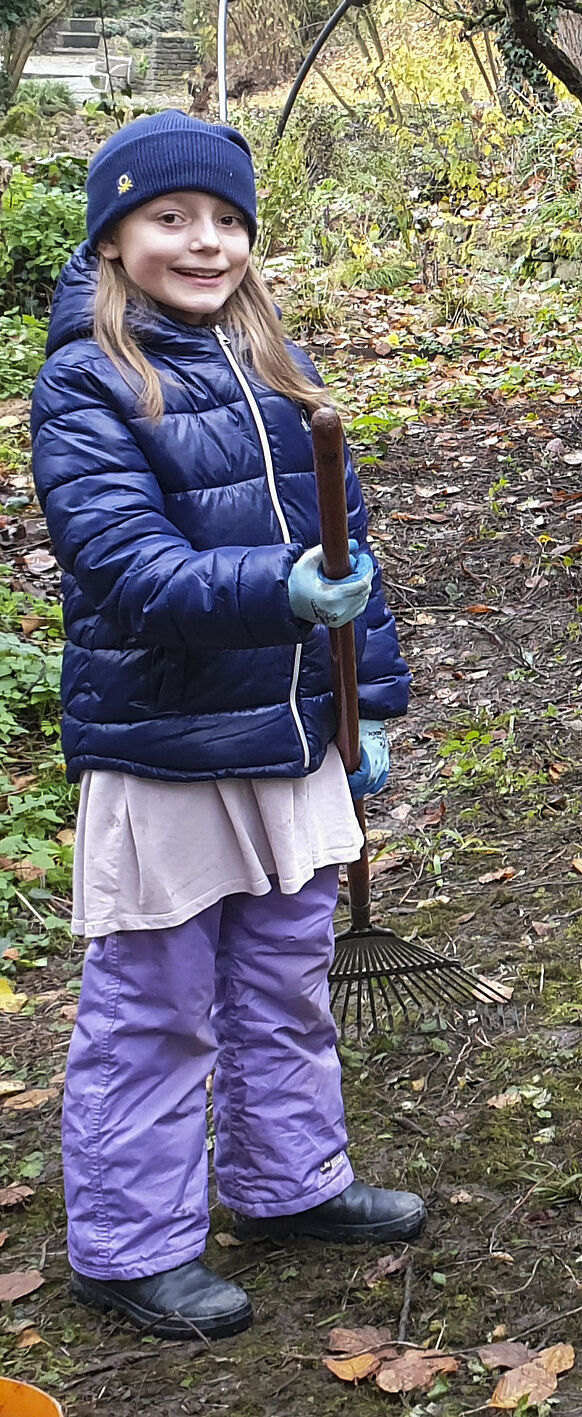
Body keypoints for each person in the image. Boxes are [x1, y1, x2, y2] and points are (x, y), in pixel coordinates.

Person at [31, 113, 423, 1339]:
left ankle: (287, 1184)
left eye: (228, 221)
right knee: (157, 1001)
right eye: (171, 218)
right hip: (168, 744)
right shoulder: (86, 382)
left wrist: (373, 702)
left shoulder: (278, 371)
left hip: (291, 734)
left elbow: (349, 550)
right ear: (113, 238)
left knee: (285, 974)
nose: (206, 243)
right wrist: (277, 589)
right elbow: (123, 568)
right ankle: (129, 1245)